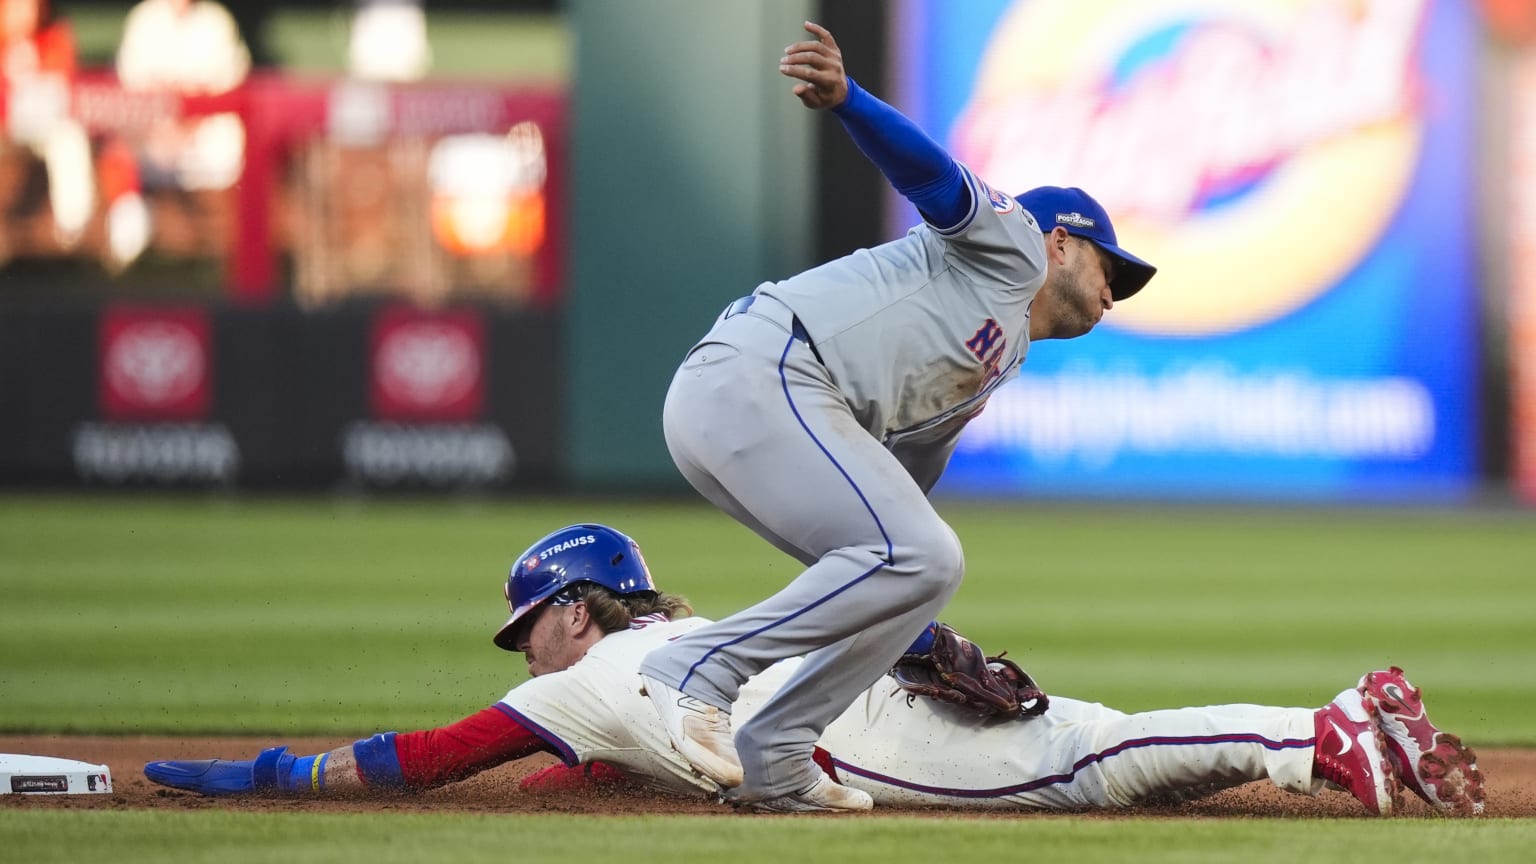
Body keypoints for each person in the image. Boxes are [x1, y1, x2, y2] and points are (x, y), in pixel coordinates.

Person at [635, 20, 1158, 810]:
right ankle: (699, 667)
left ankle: (775, 757)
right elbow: (936, 180)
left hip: (745, 410)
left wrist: (905, 619)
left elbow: (902, 497)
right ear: (1059, 243)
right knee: (923, 558)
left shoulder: (1000, 357)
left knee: (921, 574)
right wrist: (851, 101)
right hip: (764, 369)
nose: (1117, 287)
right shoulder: (1014, 247)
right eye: (1108, 262)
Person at [143, 523, 1485, 817]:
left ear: (576, 609)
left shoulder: (577, 682)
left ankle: (1319, 734)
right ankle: (1325, 725)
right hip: (846, 694)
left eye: (532, 622)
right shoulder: (694, 625)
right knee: (1088, 742)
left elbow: (418, 764)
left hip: (837, 741)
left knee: (1074, 767)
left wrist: (245, 776)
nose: (527, 647)